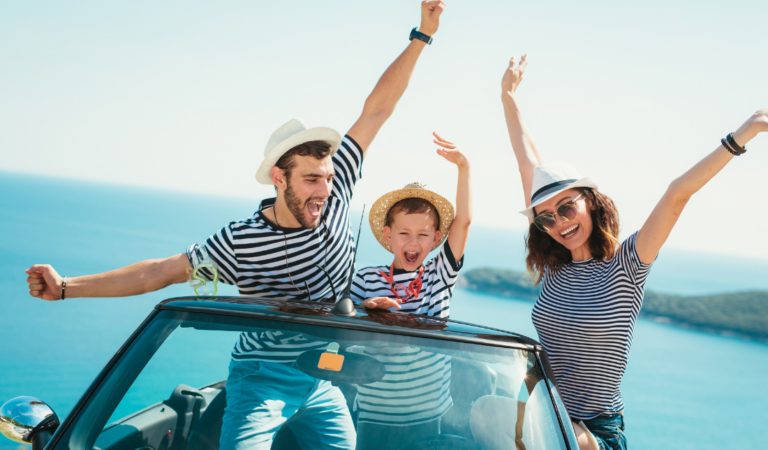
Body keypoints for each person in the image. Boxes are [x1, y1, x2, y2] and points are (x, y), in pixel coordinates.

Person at [24, 2, 447, 449]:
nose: (324, 190)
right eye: (310, 180)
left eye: (326, 178)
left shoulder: (334, 184)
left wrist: (422, 34)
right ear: (279, 178)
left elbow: (377, 109)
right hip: (261, 378)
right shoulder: (239, 241)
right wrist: (67, 286)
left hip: (322, 377)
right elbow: (158, 273)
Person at [500, 54, 768, 450]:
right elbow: (528, 162)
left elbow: (677, 194)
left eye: (567, 207)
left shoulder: (626, 264)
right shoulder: (556, 267)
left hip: (592, 432)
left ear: (590, 201)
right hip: (546, 415)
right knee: (483, 413)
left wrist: (742, 136)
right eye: (545, 219)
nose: (559, 222)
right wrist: (507, 95)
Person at [349, 133, 471, 450]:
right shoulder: (365, 278)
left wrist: (464, 168)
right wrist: (366, 308)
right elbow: (342, 323)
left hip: (429, 417)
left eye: (422, 234)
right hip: (374, 416)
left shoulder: (439, 274)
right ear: (388, 235)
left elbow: (465, 221)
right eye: (403, 233)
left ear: (436, 239)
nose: (413, 243)